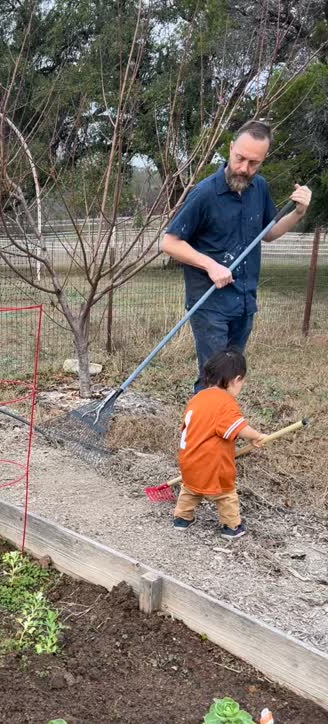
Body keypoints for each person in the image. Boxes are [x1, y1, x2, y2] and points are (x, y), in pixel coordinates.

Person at [160, 120, 312, 391]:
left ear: (263, 160)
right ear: (230, 149)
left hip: (244, 302)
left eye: (254, 163)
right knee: (214, 381)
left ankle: (220, 430)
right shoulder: (205, 193)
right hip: (210, 305)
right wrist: (210, 265)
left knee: (231, 380)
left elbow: (269, 233)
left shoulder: (260, 188)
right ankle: (201, 432)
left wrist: (298, 213)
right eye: (240, 158)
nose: (244, 168)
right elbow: (170, 243)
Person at [173, 349, 267, 540]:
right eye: (243, 382)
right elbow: (239, 428)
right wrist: (255, 436)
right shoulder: (224, 403)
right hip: (213, 465)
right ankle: (232, 527)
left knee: (190, 488)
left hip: (189, 460)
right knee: (226, 495)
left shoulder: (198, 398)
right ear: (237, 379)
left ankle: (181, 519)